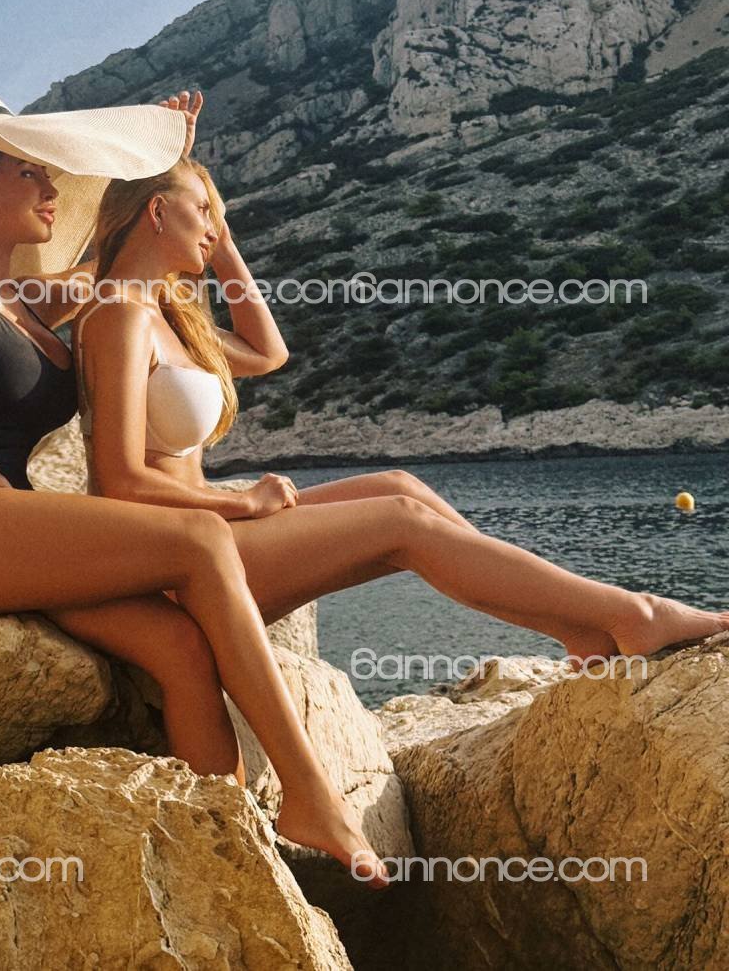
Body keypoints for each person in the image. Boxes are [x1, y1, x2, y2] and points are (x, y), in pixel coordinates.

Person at [0, 90, 392, 887]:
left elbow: (149, 263)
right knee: (202, 538)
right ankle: (309, 791)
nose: (52, 188)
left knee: (180, 646)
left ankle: (224, 854)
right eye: (28, 173)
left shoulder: (34, 298)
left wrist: (165, 156)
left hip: (10, 531)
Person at [70, 152, 729, 775]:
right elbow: (122, 481)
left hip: (209, 536)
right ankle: (634, 614)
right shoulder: (118, 316)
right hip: (174, 565)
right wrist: (242, 501)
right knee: (401, 522)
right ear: (157, 211)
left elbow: (269, 351)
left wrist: (223, 240)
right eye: (203, 211)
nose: (214, 227)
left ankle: (575, 625)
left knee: (400, 485)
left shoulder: (167, 315)